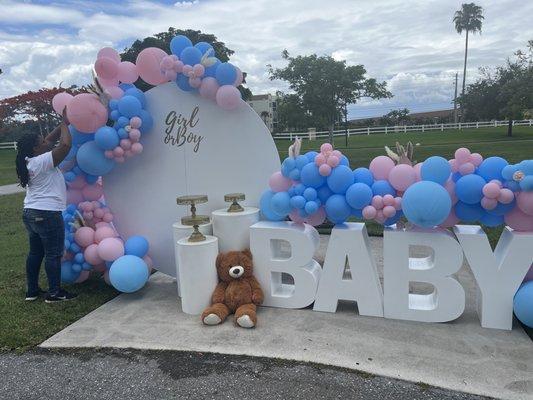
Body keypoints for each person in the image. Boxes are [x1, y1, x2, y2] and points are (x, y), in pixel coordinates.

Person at [15, 109, 77, 303]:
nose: (46, 143)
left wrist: (62, 123)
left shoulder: (28, 160)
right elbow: (65, 145)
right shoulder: (43, 161)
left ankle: (32, 291)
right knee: (53, 253)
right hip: (47, 213)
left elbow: (50, 142)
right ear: (35, 149)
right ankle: (54, 293)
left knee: (36, 252)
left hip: (31, 213)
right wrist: (65, 126)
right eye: (41, 142)